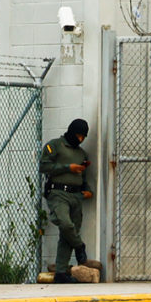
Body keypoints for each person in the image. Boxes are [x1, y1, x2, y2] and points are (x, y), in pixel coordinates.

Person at [40, 118, 93, 283]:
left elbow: (83, 177)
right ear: (71, 132)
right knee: (66, 224)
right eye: (78, 135)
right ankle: (79, 246)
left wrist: (87, 190)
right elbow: (44, 167)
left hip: (76, 196)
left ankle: (61, 273)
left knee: (67, 235)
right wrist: (68, 168)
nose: (80, 139)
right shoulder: (55, 146)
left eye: (83, 137)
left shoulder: (82, 154)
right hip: (58, 193)